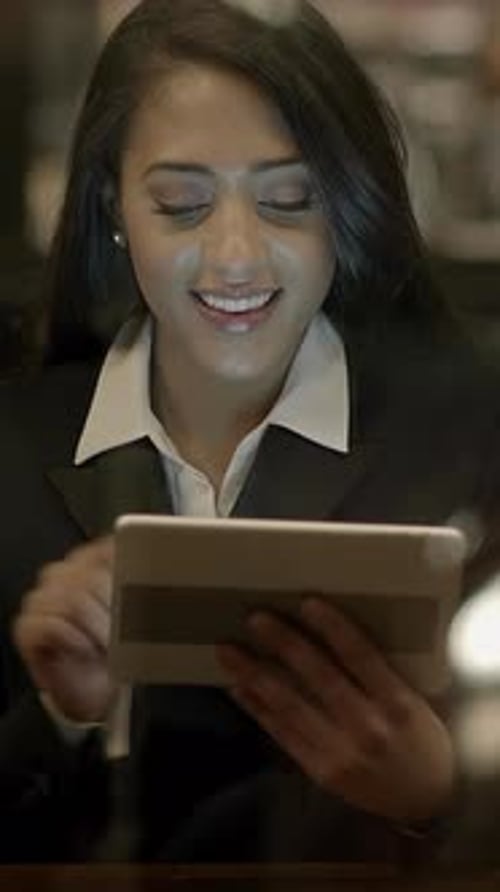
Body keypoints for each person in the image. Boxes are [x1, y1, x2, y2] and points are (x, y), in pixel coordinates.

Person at [0, 0, 499, 865]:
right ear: (112, 203)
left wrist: (437, 794)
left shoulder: (473, 436)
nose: (237, 255)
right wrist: (61, 715)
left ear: (347, 203)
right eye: (182, 204)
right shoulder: (12, 446)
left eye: (290, 199)